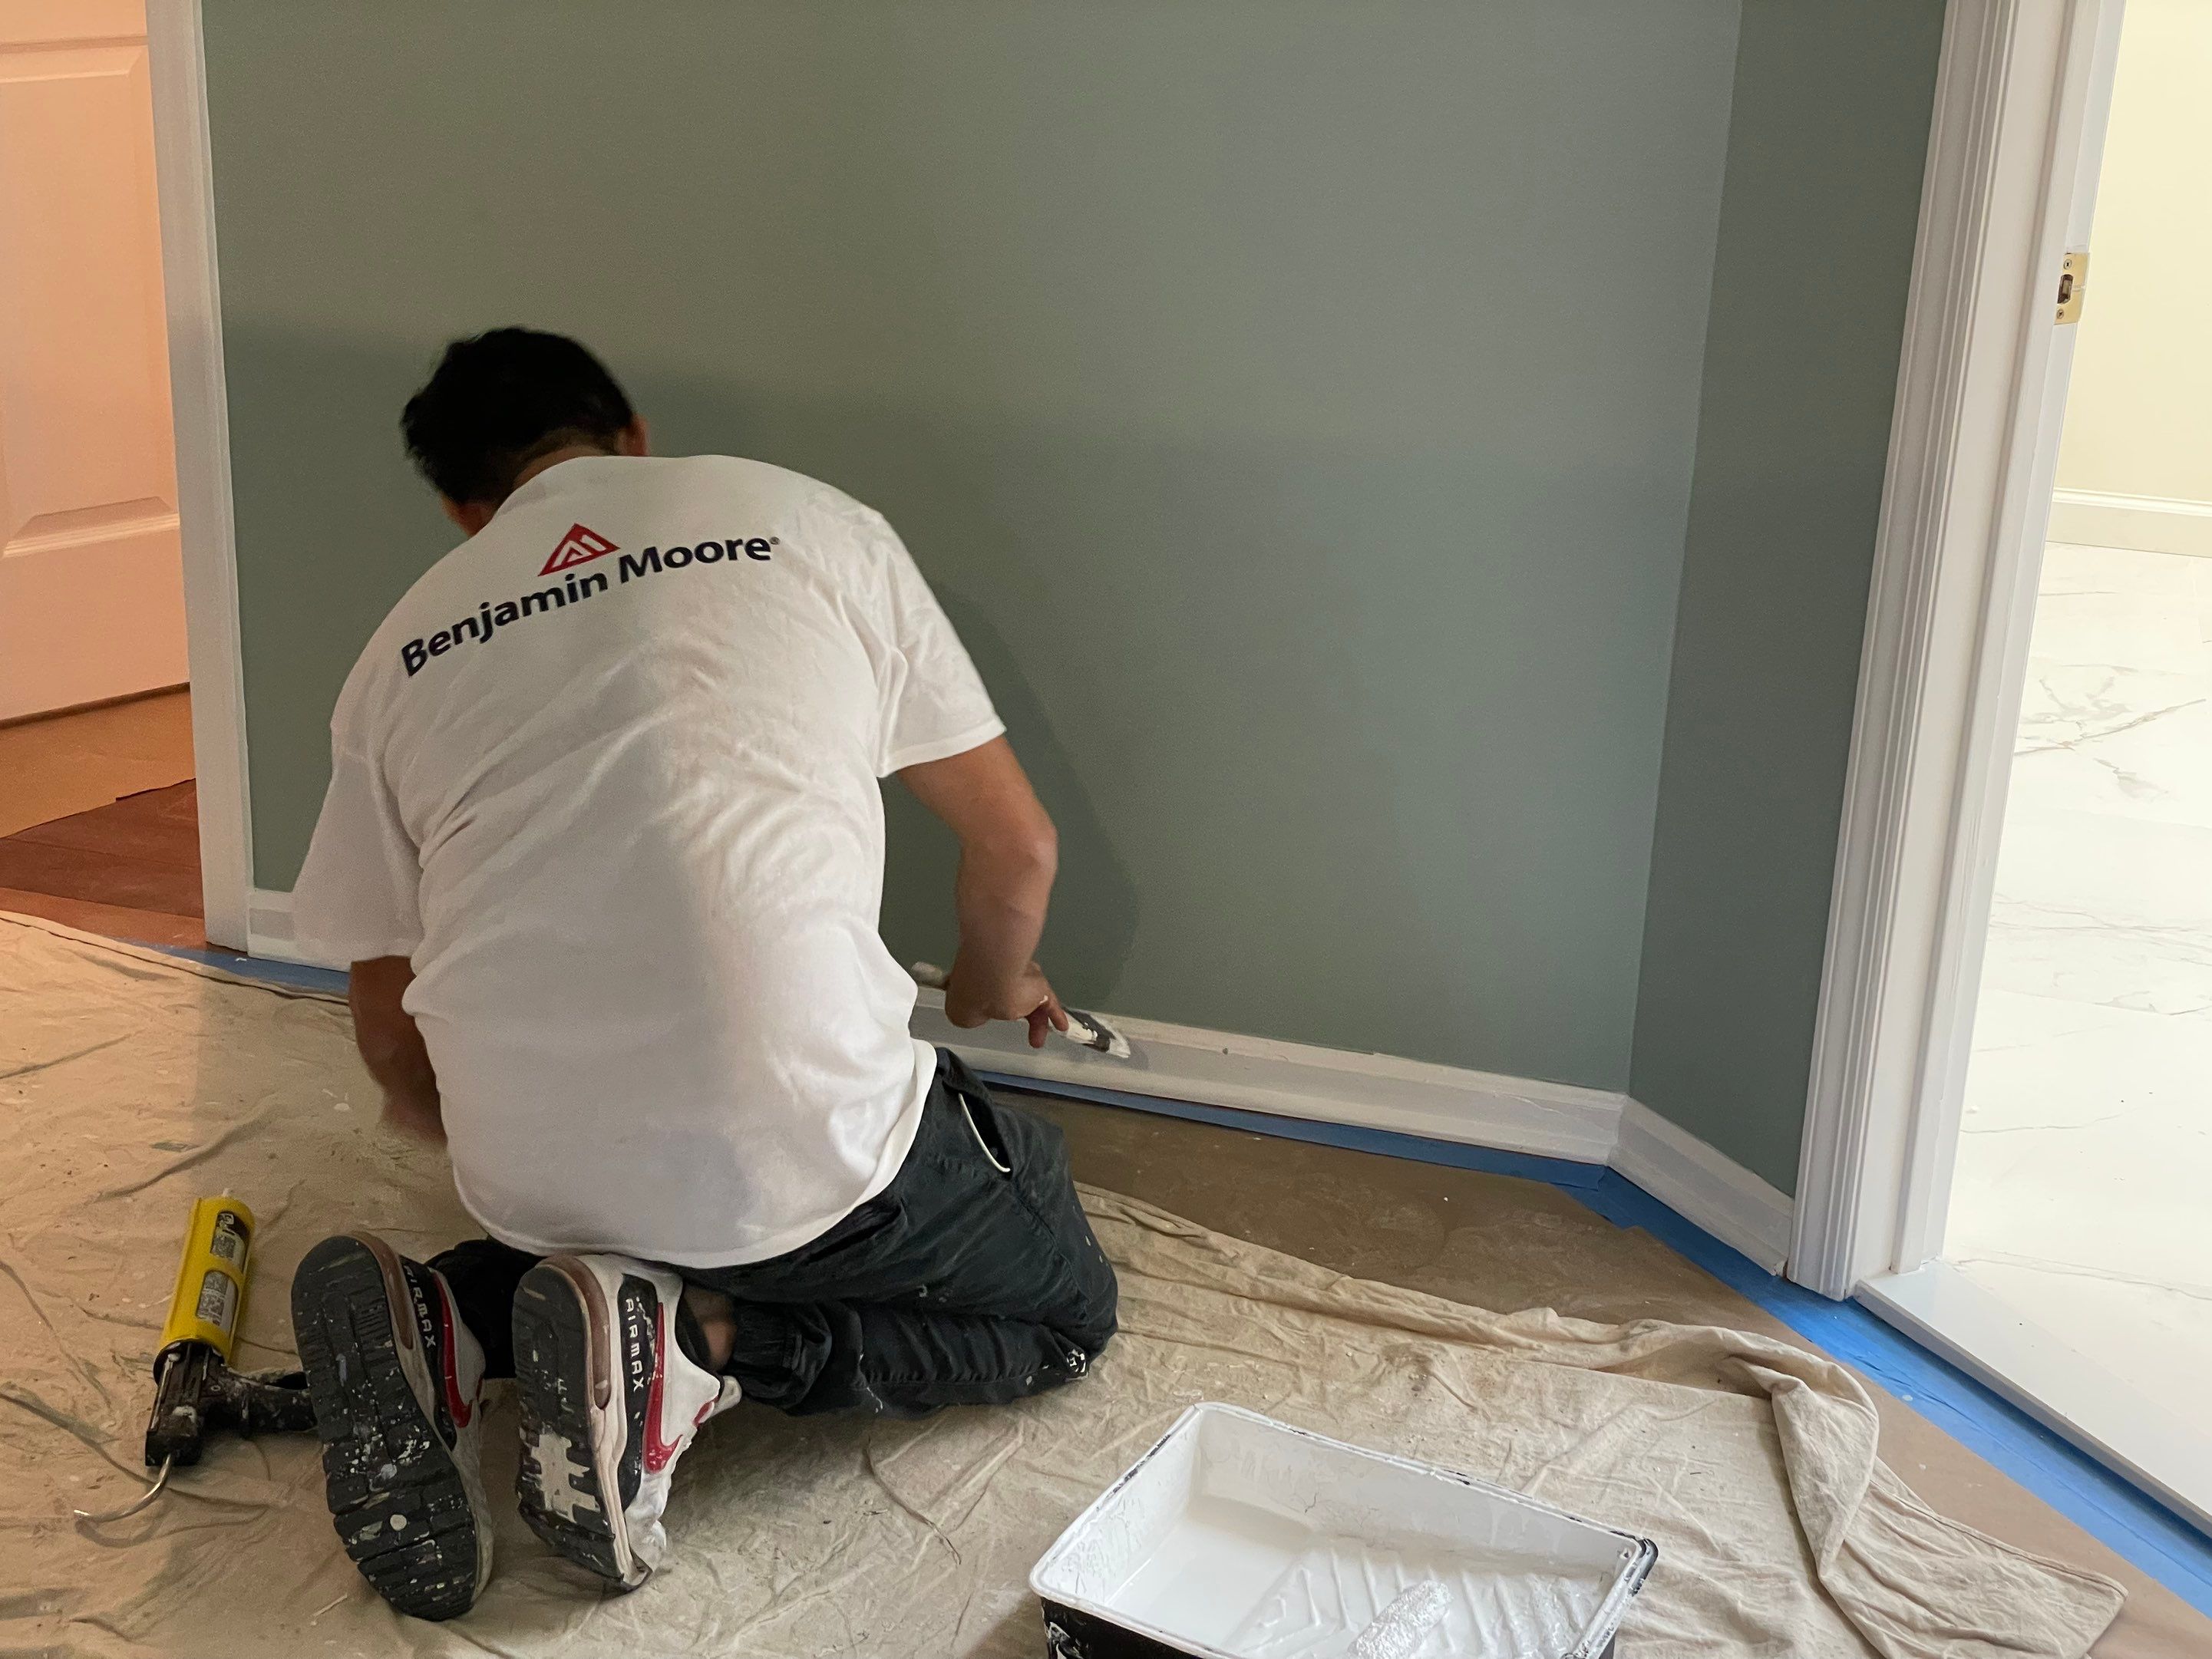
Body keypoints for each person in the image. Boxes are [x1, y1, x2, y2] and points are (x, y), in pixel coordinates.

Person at [286, 328, 1118, 1621]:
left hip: (532, 1181)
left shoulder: (395, 657)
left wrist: (458, 1119)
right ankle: (696, 1351)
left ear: (462, 509)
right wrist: (981, 987)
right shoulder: (809, 522)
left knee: (603, 1227)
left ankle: (453, 1317)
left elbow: (385, 1017)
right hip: (801, 1148)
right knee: (1059, 1300)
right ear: (629, 435)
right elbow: (1017, 848)